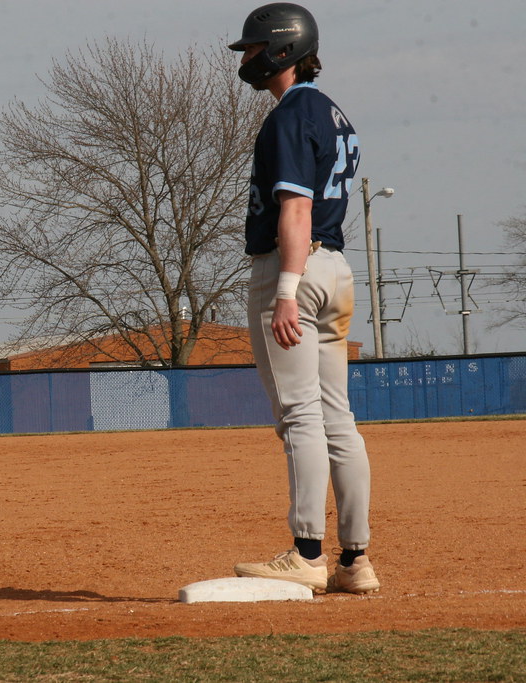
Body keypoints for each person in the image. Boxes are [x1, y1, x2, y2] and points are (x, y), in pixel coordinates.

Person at [227, 3, 379, 594]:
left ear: (283, 49)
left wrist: (286, 289)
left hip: (296, 266)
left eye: (255, 49)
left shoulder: (291, 114)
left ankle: (308, 553)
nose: (249, 59)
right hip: (335, 266)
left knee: (300, 415)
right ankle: (355, 561)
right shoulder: (334, 112)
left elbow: (295, 208)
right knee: (336, 417)